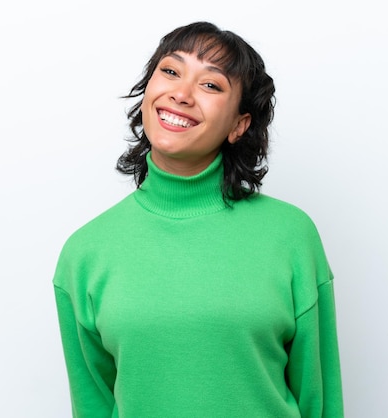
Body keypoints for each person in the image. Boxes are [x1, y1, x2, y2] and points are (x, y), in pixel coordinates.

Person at [52, 21, 344, 417]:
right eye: (171, 71)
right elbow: (93, 406)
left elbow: (319, 401)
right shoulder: (86, 252)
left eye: (211, 85)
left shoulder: (290, 235)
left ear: (239, 124)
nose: (181, 94)